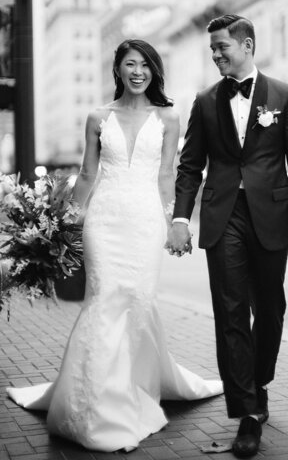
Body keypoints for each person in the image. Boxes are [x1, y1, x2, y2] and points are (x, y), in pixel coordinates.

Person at [7, 39, 222, 452]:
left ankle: (135, 384)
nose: (137, 71)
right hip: (103, 221)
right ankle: (97, 402)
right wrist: (64, 220)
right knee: (104, 299)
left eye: (145, 64)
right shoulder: (97, 116)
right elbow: (87, 174)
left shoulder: (169, 117)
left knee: (138, 301)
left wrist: (175, 221)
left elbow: (167, 175)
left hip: (144, 221)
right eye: (130, 64)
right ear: (118, 70)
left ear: (154, 71)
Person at [167, 15, 288, 459]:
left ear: (247, 45)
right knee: (230, 312)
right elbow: (189, 167)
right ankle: (246, 414)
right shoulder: (204, 101)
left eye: (222, 47)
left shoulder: (283, 95)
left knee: (271, 309)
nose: (216, 55)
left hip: (272, 215)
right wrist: (181, 218)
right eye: (212, 50)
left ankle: (258, 384)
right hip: (223, 217)